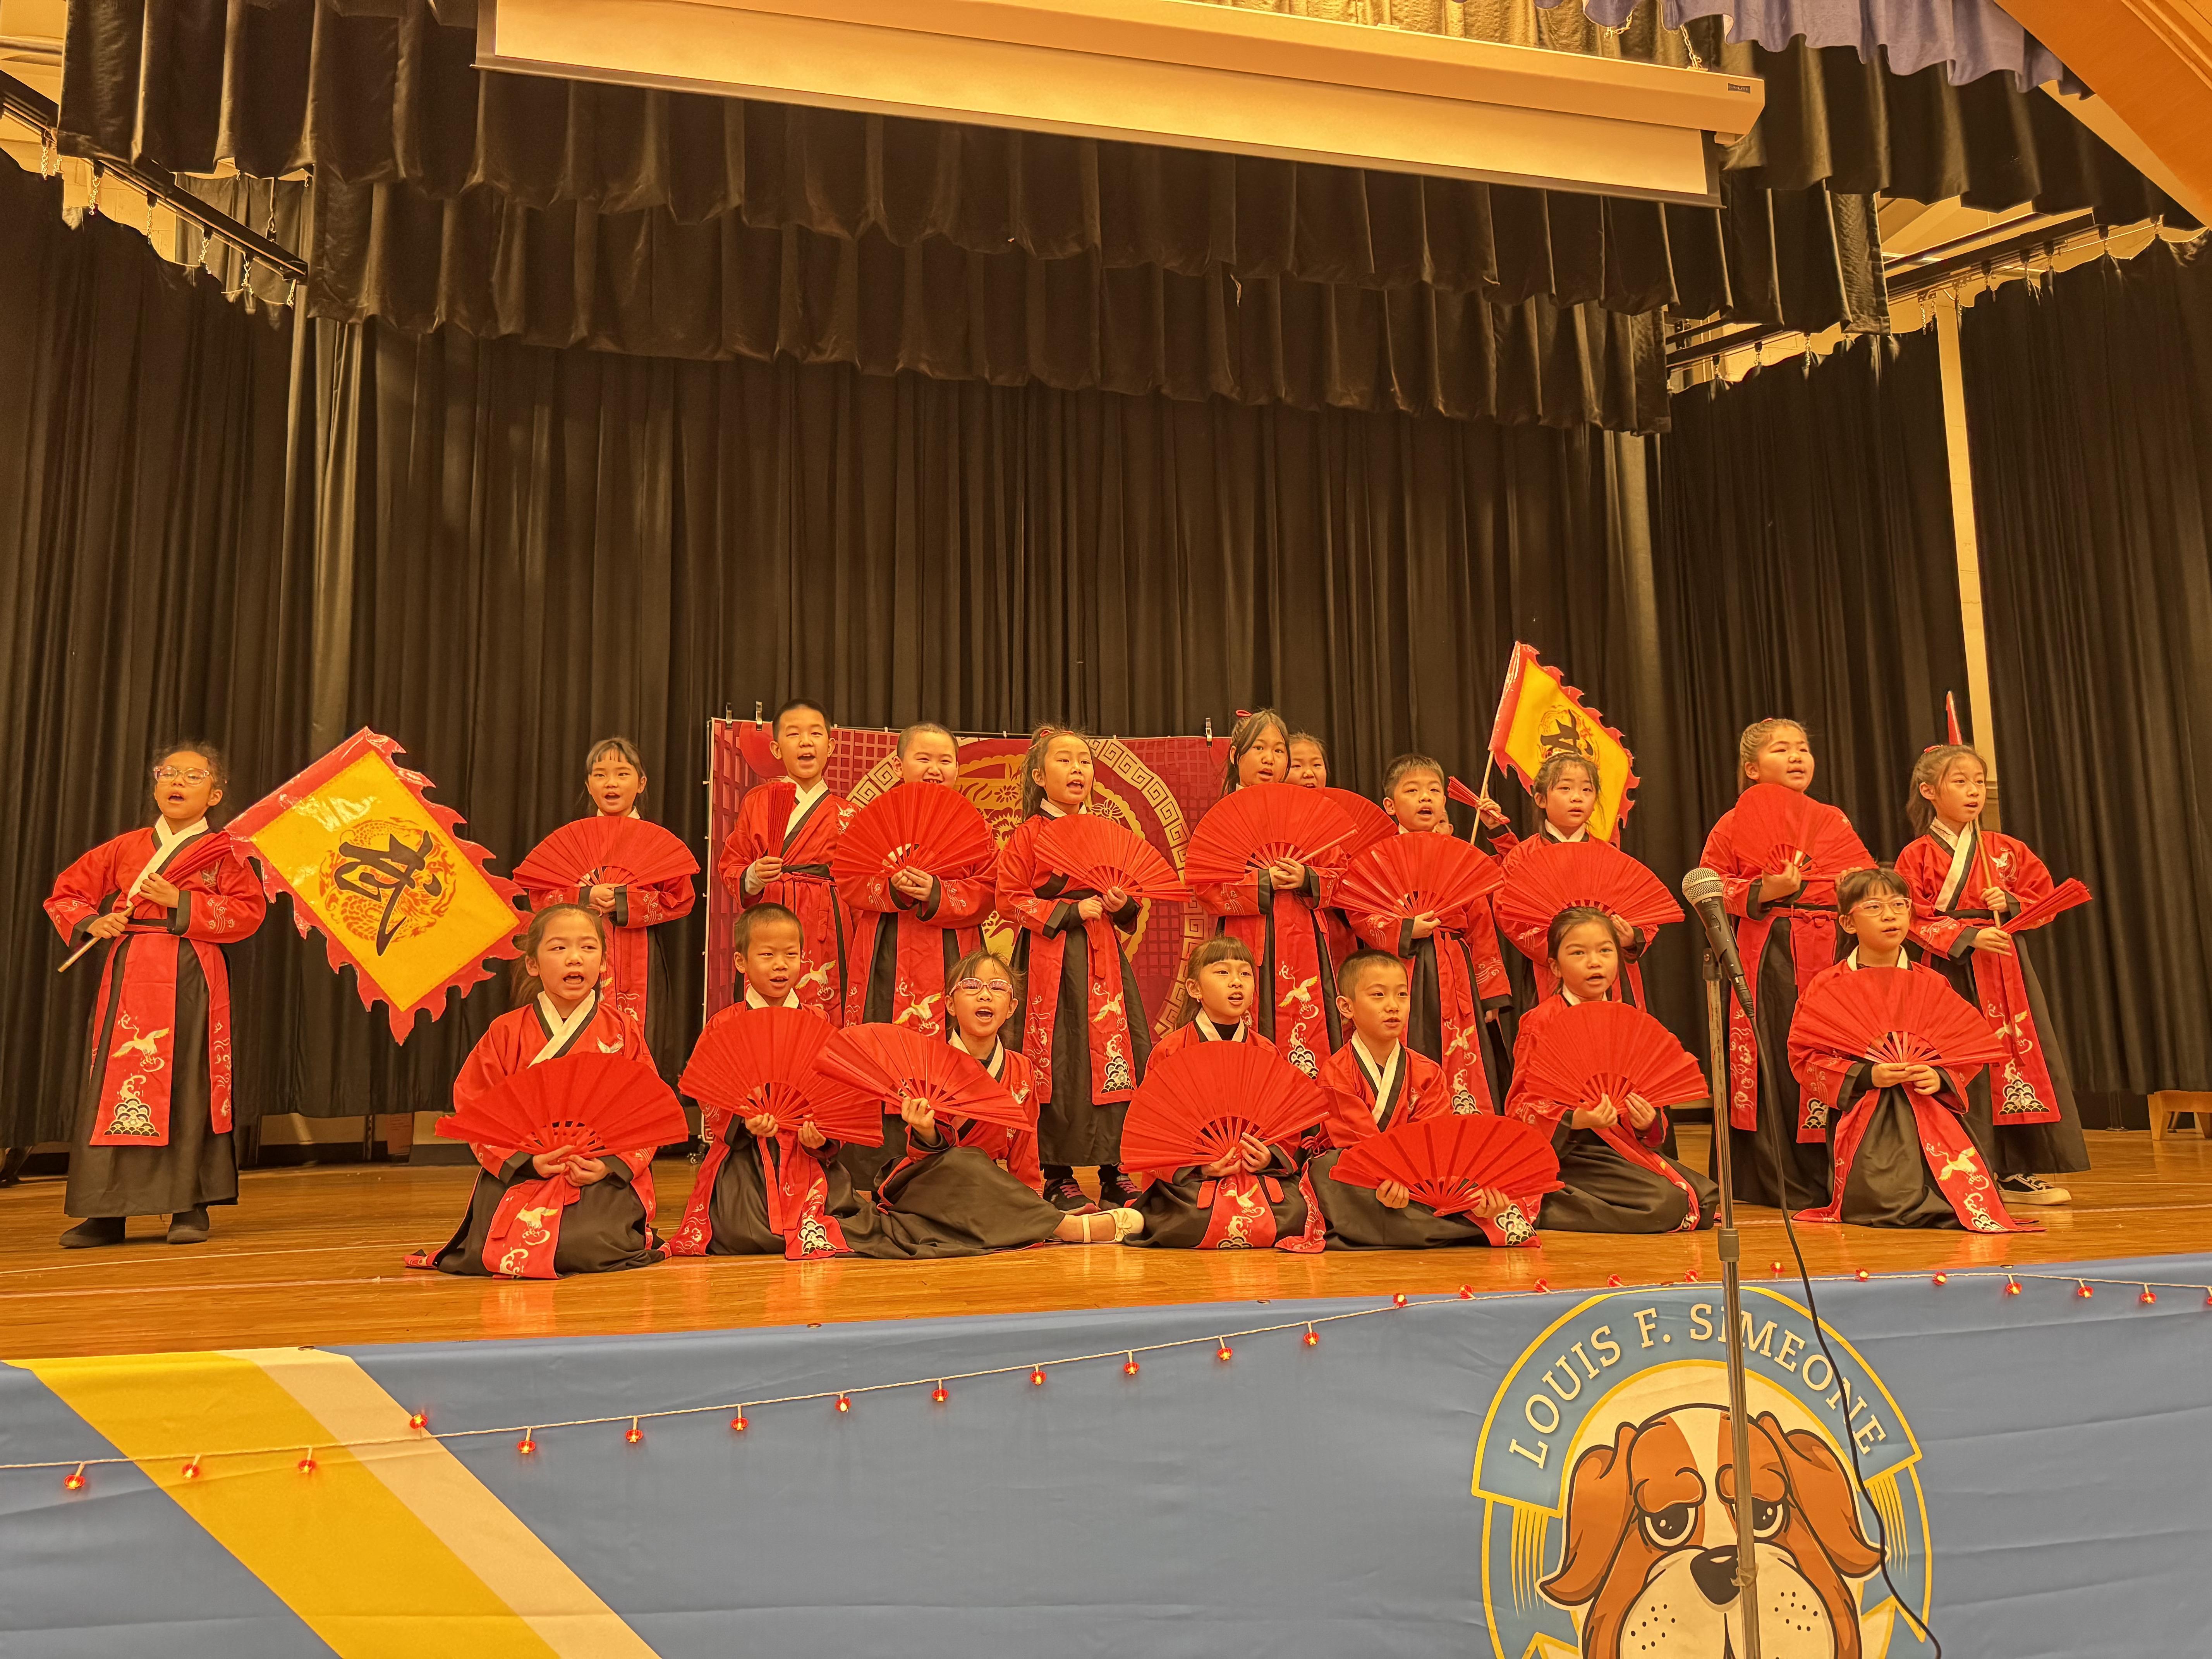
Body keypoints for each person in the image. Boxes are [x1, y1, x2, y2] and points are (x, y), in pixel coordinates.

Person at [44, 743, 267, 1248]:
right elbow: (67, 893)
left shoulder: (224, 853)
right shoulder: (125, 848)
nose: (179, 782)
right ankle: (105, 1211)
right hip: (131, 971)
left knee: (187, 1083)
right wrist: (94, 920)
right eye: (170, 773)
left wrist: (181, 901)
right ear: (155, 784)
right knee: (116, 1085)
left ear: (215, 794)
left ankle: (188, 1207)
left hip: (191, 971)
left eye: (194, 776)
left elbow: (249, 913)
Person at [419, 905, 666, 1277]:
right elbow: (476, 1108)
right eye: (558, 948)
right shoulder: (506, 1032)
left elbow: (648, 1111)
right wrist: (527, 1161)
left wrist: (606, 1166)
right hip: (523, 1171)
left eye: (588, 948)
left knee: (587, 1243)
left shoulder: (622, 1032)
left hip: (599, 1171)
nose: (575, 959)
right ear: (533, 964)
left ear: (602, 964)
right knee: (496, 1245)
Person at [1896, 744, 2087, 1207]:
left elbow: (2045, 898)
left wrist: (2013, 904)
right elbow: (1910, 916)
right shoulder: (1917, 855)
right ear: (1929, 792)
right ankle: (1959, 1162)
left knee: (2013, 1058)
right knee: (1958, 1060)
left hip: (2005, 967)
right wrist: (1966, 937)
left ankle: (2017, 1170)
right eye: (1959, 781)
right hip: (1948, 967)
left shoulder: (2006, 851)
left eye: (1978, 781)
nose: (1973, 791)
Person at [1791, 869, 2031, 1233]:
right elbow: (1805, 1057)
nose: (1890, 916)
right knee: (1884, 1202)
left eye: (1899, 905)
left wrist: (1939, 1076)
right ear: (1848, 923)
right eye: (1874, 907)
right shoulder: (1829, 984)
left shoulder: (1931, 981)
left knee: (1955, 1195)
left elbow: (1965, 1051)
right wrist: (1869, 1075)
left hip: (1929, 1107)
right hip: (1863, 1108)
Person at [1697, 718, 1864, 1212]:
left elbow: (1859, 879)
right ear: (1752, 769)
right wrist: (1764, 891)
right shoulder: (1732, 824)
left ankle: (1833, 1172)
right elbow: (1707, 890)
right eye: (1781, 750)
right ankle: (1775, 1177)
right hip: (1768, 949)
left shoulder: (1831, 819)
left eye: (1803, 748)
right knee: (1775, 1052)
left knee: (1828, 1051)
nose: (1797, 757)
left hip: (1828, 946)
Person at [666, 905, 896, 1258]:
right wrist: (744, 1122)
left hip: (805, 1152)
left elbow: (835, 1093)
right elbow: (708, 1095)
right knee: (739, 1231)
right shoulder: (724, 1024)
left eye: (791, 955)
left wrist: (822, 1136)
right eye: (767, 955)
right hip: (744, 1155)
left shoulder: (818, 1020)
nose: (780, 965)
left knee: (852, 1222)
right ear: (742, 962)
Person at [875, 949, 1140, 1254]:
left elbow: (1025, 1151)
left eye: (998, 988)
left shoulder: (1021, 1069)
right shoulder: (926, 1065)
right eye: (972, 986)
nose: (985, 995)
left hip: (987, 1188)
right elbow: (921, 1155)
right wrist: (926, 1133)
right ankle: (1063, 1227)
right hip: (933, 1182)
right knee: (965, 1162)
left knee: (987, 1177)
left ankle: (1031, 1219)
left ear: (1012, 1007)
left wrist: (1028, 1198)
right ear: (950, 1004)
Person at [995, 725, 1152, 1212]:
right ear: (1040, 776)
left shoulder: (1109, 832)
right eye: (1064, 761)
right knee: (1057, 1059)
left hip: (1104, 959)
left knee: (1118, 1056)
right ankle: (1057, 1173)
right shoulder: (1028, 835)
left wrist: (1122, 903)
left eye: (1084, 761)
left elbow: (1133, 906)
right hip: (1049, 960)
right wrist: (1066, 910)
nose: (1077, 769)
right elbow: (1007, 900)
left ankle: (1115, 1169)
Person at [1283, 951, 1537, 1250]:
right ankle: (1468, 1229)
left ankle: (1452, 1219)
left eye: (1402, 995)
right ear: (1346, 1006)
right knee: (1329, 1170)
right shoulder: (1336, 1072)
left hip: (1419, 1179)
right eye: (1378, 995)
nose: (1393, 1006)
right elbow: (1357, 1144)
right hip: (1365, 1174)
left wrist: (1431, 1183)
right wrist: (1390, 1177)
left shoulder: (1427, 1072)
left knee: (1476, 1176)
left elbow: (1435, 1140)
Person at [1504, 908, 1719, 1233]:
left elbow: (1650, 1107)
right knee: (1666, 1206)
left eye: (1605, 951)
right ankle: (1543, 1205)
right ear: (1554, 967)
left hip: (1620, 1144)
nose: (1595, 962)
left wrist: (1646, 1122)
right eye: (1579, 953)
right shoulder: (1541, 1022)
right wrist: (1578, 1120)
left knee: (1706, 1200)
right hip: (1572, 1150)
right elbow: (1520, 1106)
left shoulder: (1627, 1019)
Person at [519, 737, 696, 1069]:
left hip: (639, 953)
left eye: (622, 774)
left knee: (643, 1038)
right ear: (588, 784)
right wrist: (584, 897)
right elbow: (542, 899)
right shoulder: (573, 839)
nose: (611, 783)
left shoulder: (657, 843)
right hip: (578, 951)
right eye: (600, 775)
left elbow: (680, 900)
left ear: (641, 783)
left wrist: (625, 901)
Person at [1350, 754, 1509, 1115]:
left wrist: (1491, 996)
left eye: (1434, 791)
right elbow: (1361, 915)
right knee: (1408, 1043)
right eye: (1413, 790)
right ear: (1390, 805)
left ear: (1445, 802)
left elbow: (1482, 928)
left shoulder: (1462, 855)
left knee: (1462, 1055)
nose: (1426, 798)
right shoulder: (1378, 858)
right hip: (1399, 969)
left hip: (1455, 972)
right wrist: (1406, 928)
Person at [1125, 938, 1309, 1248]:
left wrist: (1268, 1157)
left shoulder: (1266, 1051)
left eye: (1245, 974)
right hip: (1192, 1179)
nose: (1236, 982)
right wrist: (1202, 1166)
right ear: (1194, 989)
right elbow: (1154, 1132)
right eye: (1223, 973)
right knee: (1190, 1218)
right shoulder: (1170, 1052)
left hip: (1256, 1174)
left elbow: (1285, 1125)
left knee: (1297, 1213)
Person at [1189, 709, 1341, 1076]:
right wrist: (1261, 883)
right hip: (1246, 939)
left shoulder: (1310, 812)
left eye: (1278, 750)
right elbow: (1206, 888)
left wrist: (1307, 877)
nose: (1270, 759)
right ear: (1235, 755)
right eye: (1259, 748)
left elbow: (1339, 874)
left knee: (1311, 1030)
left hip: (1305, 937)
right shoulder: (1222, 816)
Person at [1481, 753, 1661, 1009]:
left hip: (1610, 974)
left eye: (1587, 790)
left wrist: (1631, 937)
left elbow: (1644, 911)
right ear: (1541, 799)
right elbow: (1510, 915)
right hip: (1550, 972)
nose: (1577, 797)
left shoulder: (1609, 856)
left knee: (1617, 1042)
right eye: (1565, 788)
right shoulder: (1523, 858)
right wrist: (1565, 953)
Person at [716, 698, 852, 1023]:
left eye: (815, 734)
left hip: (826, 923)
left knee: (824, 1009)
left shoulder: (848, 813)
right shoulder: (757, 802)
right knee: (764, 1014)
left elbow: (859, 883)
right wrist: (753, 875)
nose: (806, 742)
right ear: (777, 749)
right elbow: (732, 865)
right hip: (773, 912)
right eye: (794, 734)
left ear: (831, 746)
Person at [1282, 730, 1357, 972]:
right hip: (1281, 929)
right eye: (1297, 766)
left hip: (1333, 929)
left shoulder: (1337, 822)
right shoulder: (1268, 819)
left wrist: (1308, 878)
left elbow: (1346, 881)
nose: (1309, 773)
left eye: (1317, 764)